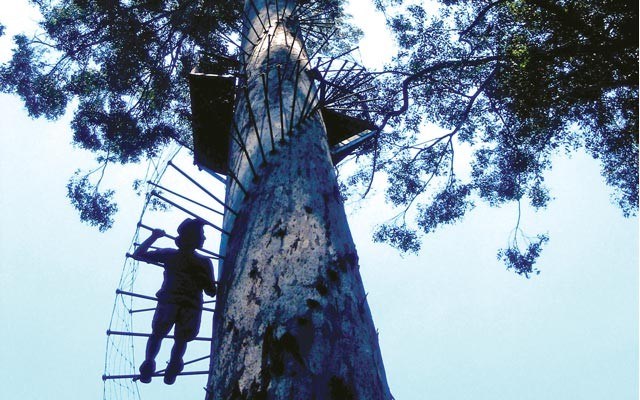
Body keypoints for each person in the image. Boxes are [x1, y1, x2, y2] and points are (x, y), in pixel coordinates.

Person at [133, 218, 217, 384]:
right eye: (201, 235)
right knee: (172, 337)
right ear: (191, 237)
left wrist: (153, 237)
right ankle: (163, 364)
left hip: (178, 302)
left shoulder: (182, 257)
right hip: (181, 303)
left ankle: (161, 363)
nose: (204, 238)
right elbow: (211, 292)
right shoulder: (195, 260)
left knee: (167, 336)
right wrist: (153, 237)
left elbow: (211, 291)